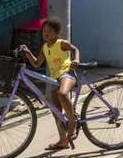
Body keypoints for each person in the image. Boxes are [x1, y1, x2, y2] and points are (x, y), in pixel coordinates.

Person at [19, 17, 80, 150]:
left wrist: (76, 59)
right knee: (56, 112)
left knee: (63, 94)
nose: (46, 33)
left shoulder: (61, 43)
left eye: (50, 31)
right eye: (44, 31)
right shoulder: (45, 47)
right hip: (55, 80)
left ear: (57, 32)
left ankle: (73, 123)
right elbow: (36, 64)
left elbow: (75, 49)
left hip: (67, 74)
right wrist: (28, 52)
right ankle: (63, 141)